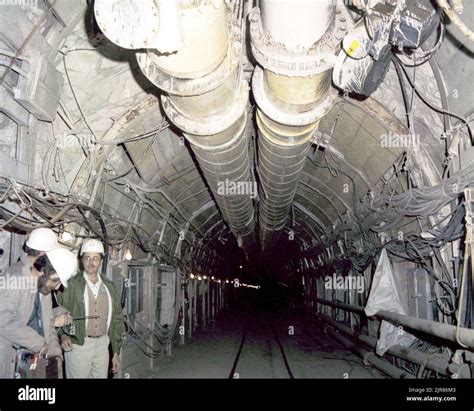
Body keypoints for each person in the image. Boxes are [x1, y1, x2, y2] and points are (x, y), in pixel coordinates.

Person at [0, 239, 77, 378]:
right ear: (43, 271)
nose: (58, 287)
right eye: (56, 280)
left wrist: (55, 355)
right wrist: (39, 344)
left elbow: (47, 326)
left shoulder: (43, 289)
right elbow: (3, 320)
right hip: (13, 360)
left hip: (35, 360)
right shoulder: (15, 278)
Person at [58, 239, 124, 378]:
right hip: (78, 345)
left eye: (95, 258)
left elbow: (117, 318)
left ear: (101, 261)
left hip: (102, 345)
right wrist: (63, 335)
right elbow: (57, 311)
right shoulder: (71, 284)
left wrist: (116, 352)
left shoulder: (109, 286)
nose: (91, 262)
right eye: (87, 258)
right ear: (81, 260)